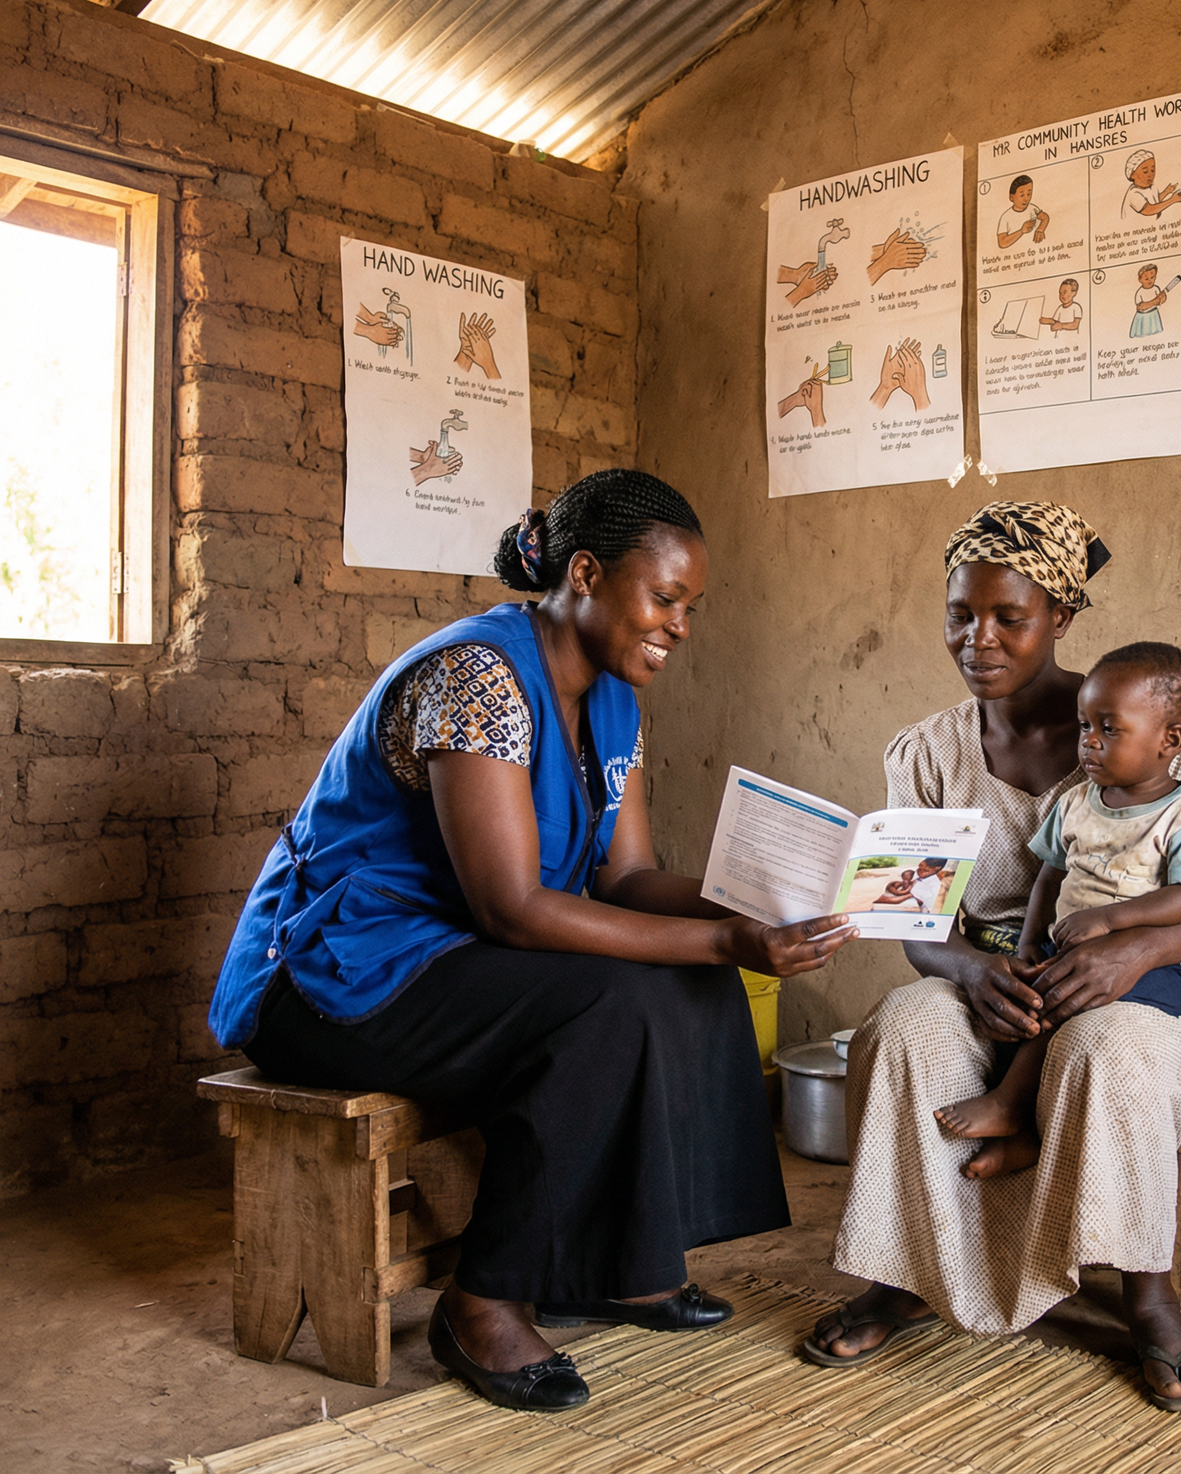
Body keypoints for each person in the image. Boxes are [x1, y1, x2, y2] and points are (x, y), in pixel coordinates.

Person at [208, 469, 856, 1414]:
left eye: (690, 606)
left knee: (683, 975)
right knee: (610, 1001)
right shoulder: (478, 677)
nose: (680, 624)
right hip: (329, 975)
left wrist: (750, 911)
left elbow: (627, 881)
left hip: (443, 957)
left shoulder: (614, 698)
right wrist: (726, 944)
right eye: (664, 598)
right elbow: (511, 907)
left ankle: (625, 1265)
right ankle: (484, 1299)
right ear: (586, 573)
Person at [804, 499, 1181, 1414]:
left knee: (1113, 1051)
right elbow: (907, 916)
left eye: (1008, 618)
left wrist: (1132, 961)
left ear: (1060, 617)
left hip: (1124, 979)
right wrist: (970, 974)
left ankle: (1148, 1298)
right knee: (903, 1028)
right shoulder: (927, 753)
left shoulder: (1147, 727)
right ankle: (903, 1274)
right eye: (959, 615)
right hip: (994, 976)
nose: (978, 639)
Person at [933, 642, 1181, 1182]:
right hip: (1066, 948)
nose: (1089, 742)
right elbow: (1050, 874)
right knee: (1033, 1004)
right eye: (1084, 726)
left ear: (1170, 742)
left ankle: (1011, 1107)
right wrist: (1027, 945)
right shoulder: (1077, 802)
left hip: (1153, 968)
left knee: (1061, 1010)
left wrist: (1114, 923)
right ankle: (1024, 1136)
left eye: (1109, 729)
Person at [1121, 149, 1181, 219]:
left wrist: (1166, 192)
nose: (1150, 175)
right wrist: (1173, 200)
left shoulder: (1152, 187)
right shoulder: (1134, 194)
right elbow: (1150, 209)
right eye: (1145, 171)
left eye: (1152, 170)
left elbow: (1155, 201)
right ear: (1132, 175)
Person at [997, 176, 1050, 248]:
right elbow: (1002, 243)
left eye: (1029, 194)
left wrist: (1040, 230)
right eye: (1022, 195)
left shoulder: (1033, 208)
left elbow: (1045, 217)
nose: (1026, 199)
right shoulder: (1006, 217)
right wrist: (1021, 231)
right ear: (1012, 197)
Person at [1131, 264, 1166, 338]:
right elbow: (1141, 307)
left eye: (1152, 277)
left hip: (1154, 314)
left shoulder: (1156, 288)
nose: (1150, 280)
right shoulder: (1140, 292)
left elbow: (1160, 302)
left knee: (1156, 334)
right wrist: (1156, 301)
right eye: (1146, 279)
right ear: (1140, 280)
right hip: (1143, 317)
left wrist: (1163, 298)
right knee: (1143, 335)